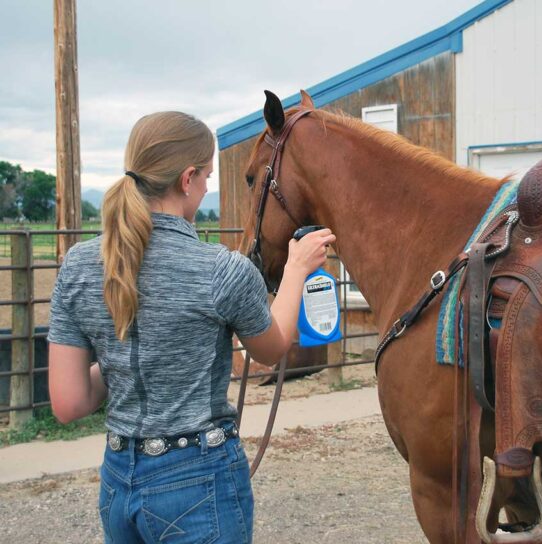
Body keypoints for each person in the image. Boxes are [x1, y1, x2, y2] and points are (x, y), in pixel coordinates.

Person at [46, 111, 335, 543]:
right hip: (198, 478)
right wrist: (295, 270)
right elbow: (271, 350)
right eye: (206, 178)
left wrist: (128, 364)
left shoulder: (78, 268)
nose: (205, 189)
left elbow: (68, 403)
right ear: (187, 179)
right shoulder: (221, 269)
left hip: (117, 478)